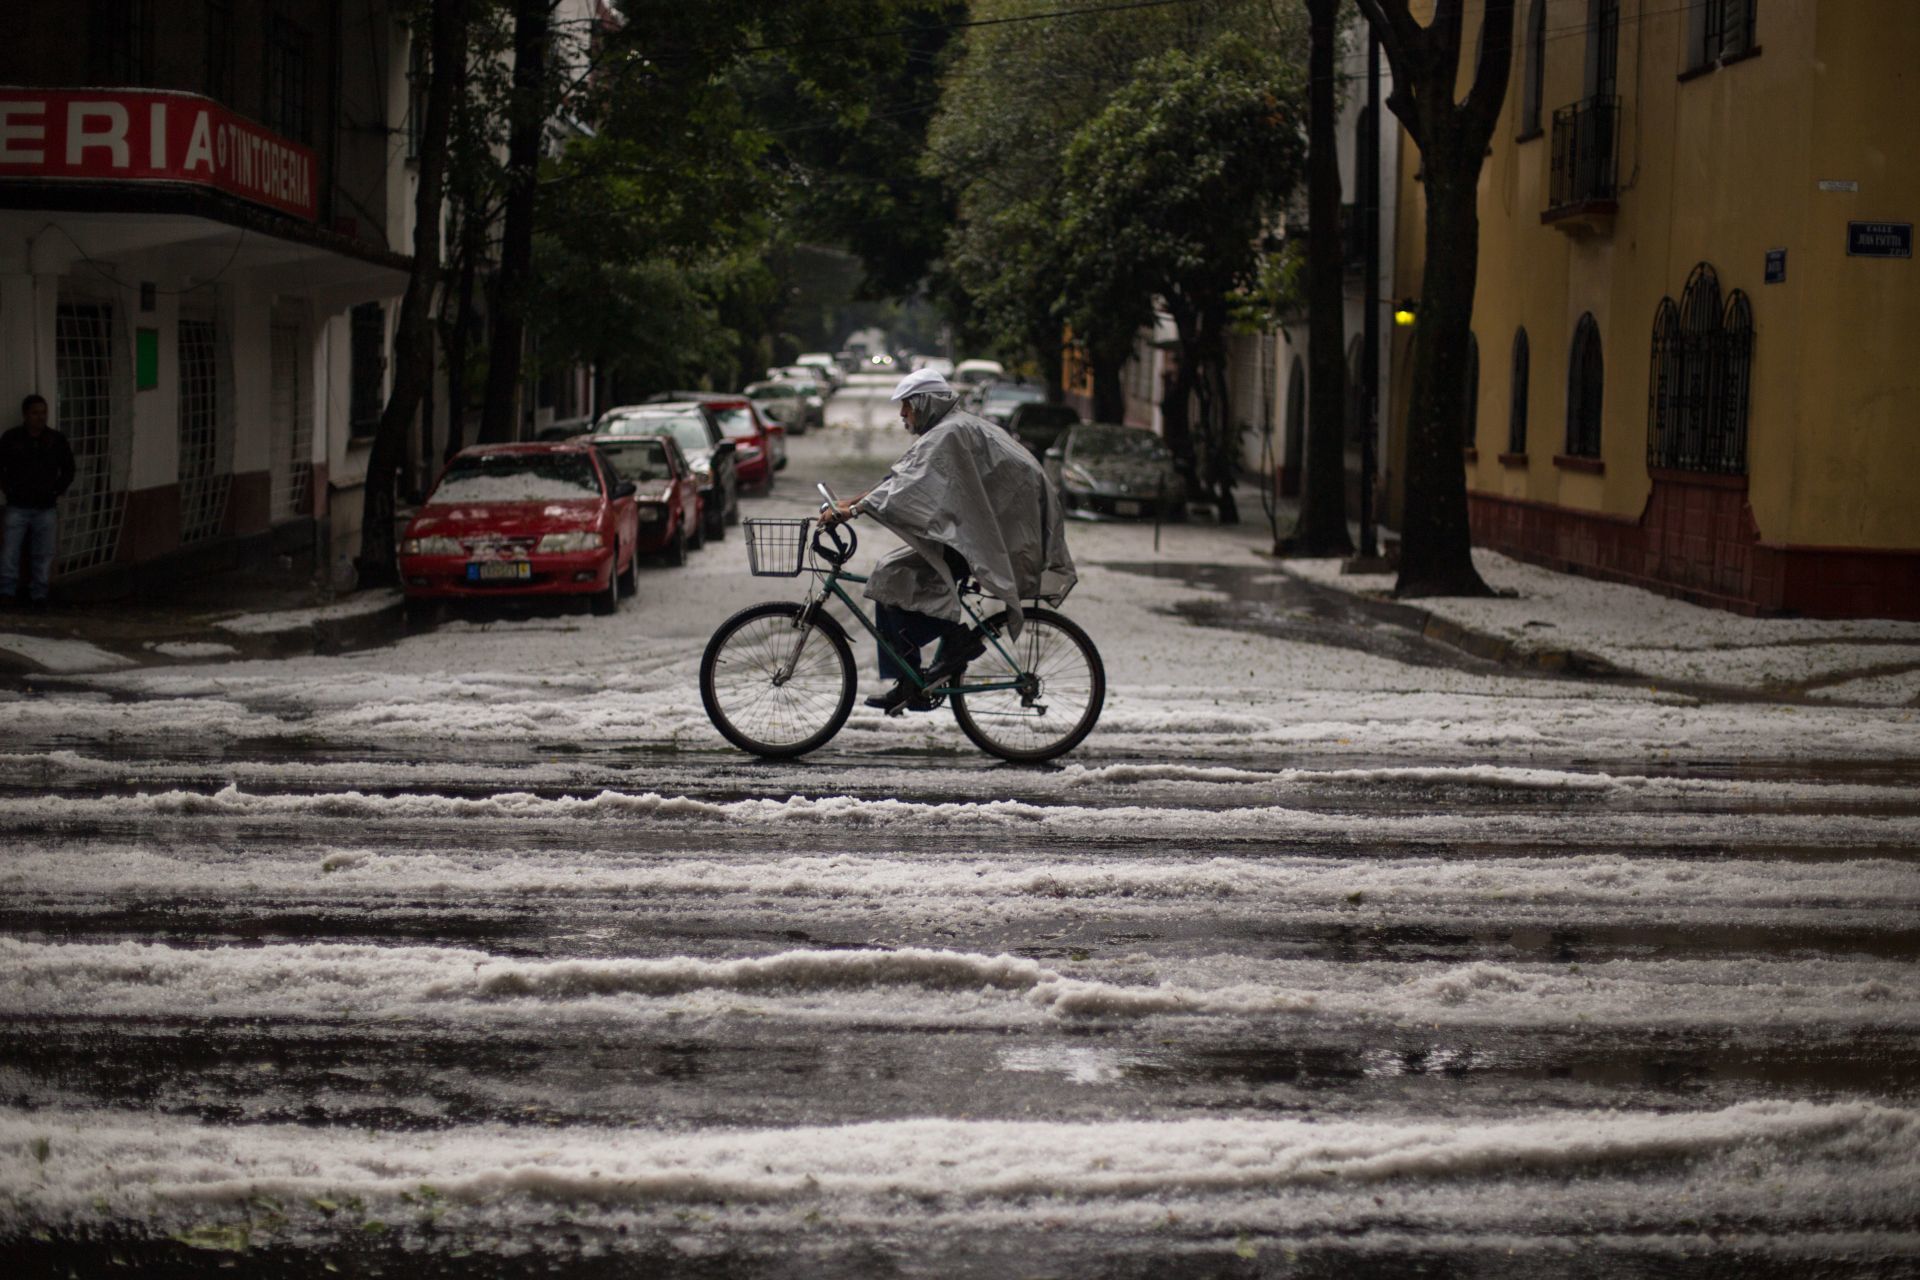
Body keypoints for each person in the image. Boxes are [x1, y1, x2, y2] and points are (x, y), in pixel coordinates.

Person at [820, 368, 1076, 712]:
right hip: (983, 530)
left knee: (889, 576)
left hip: (986, 536)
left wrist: (853, 511)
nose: (902, 414)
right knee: (893, 577)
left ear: (924, 403)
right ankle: (914, 677)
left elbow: (907, 486)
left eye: (907, 406)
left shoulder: (949, 433)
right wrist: (853, 502)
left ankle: (950, 648)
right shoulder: (950, 428)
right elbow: (902, 478)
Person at [0, 394, 76, 608]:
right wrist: (10, 490)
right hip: (18, 505)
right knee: (10, 551)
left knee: (43, 552)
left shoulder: (55, 440)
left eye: (43, 412)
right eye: (35, 413)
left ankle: (39, 594)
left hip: (45, 507)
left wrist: (56, 490)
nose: (40, 417)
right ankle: (6, 592)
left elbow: (69, 468)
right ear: (26, 415)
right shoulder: (12, 438)